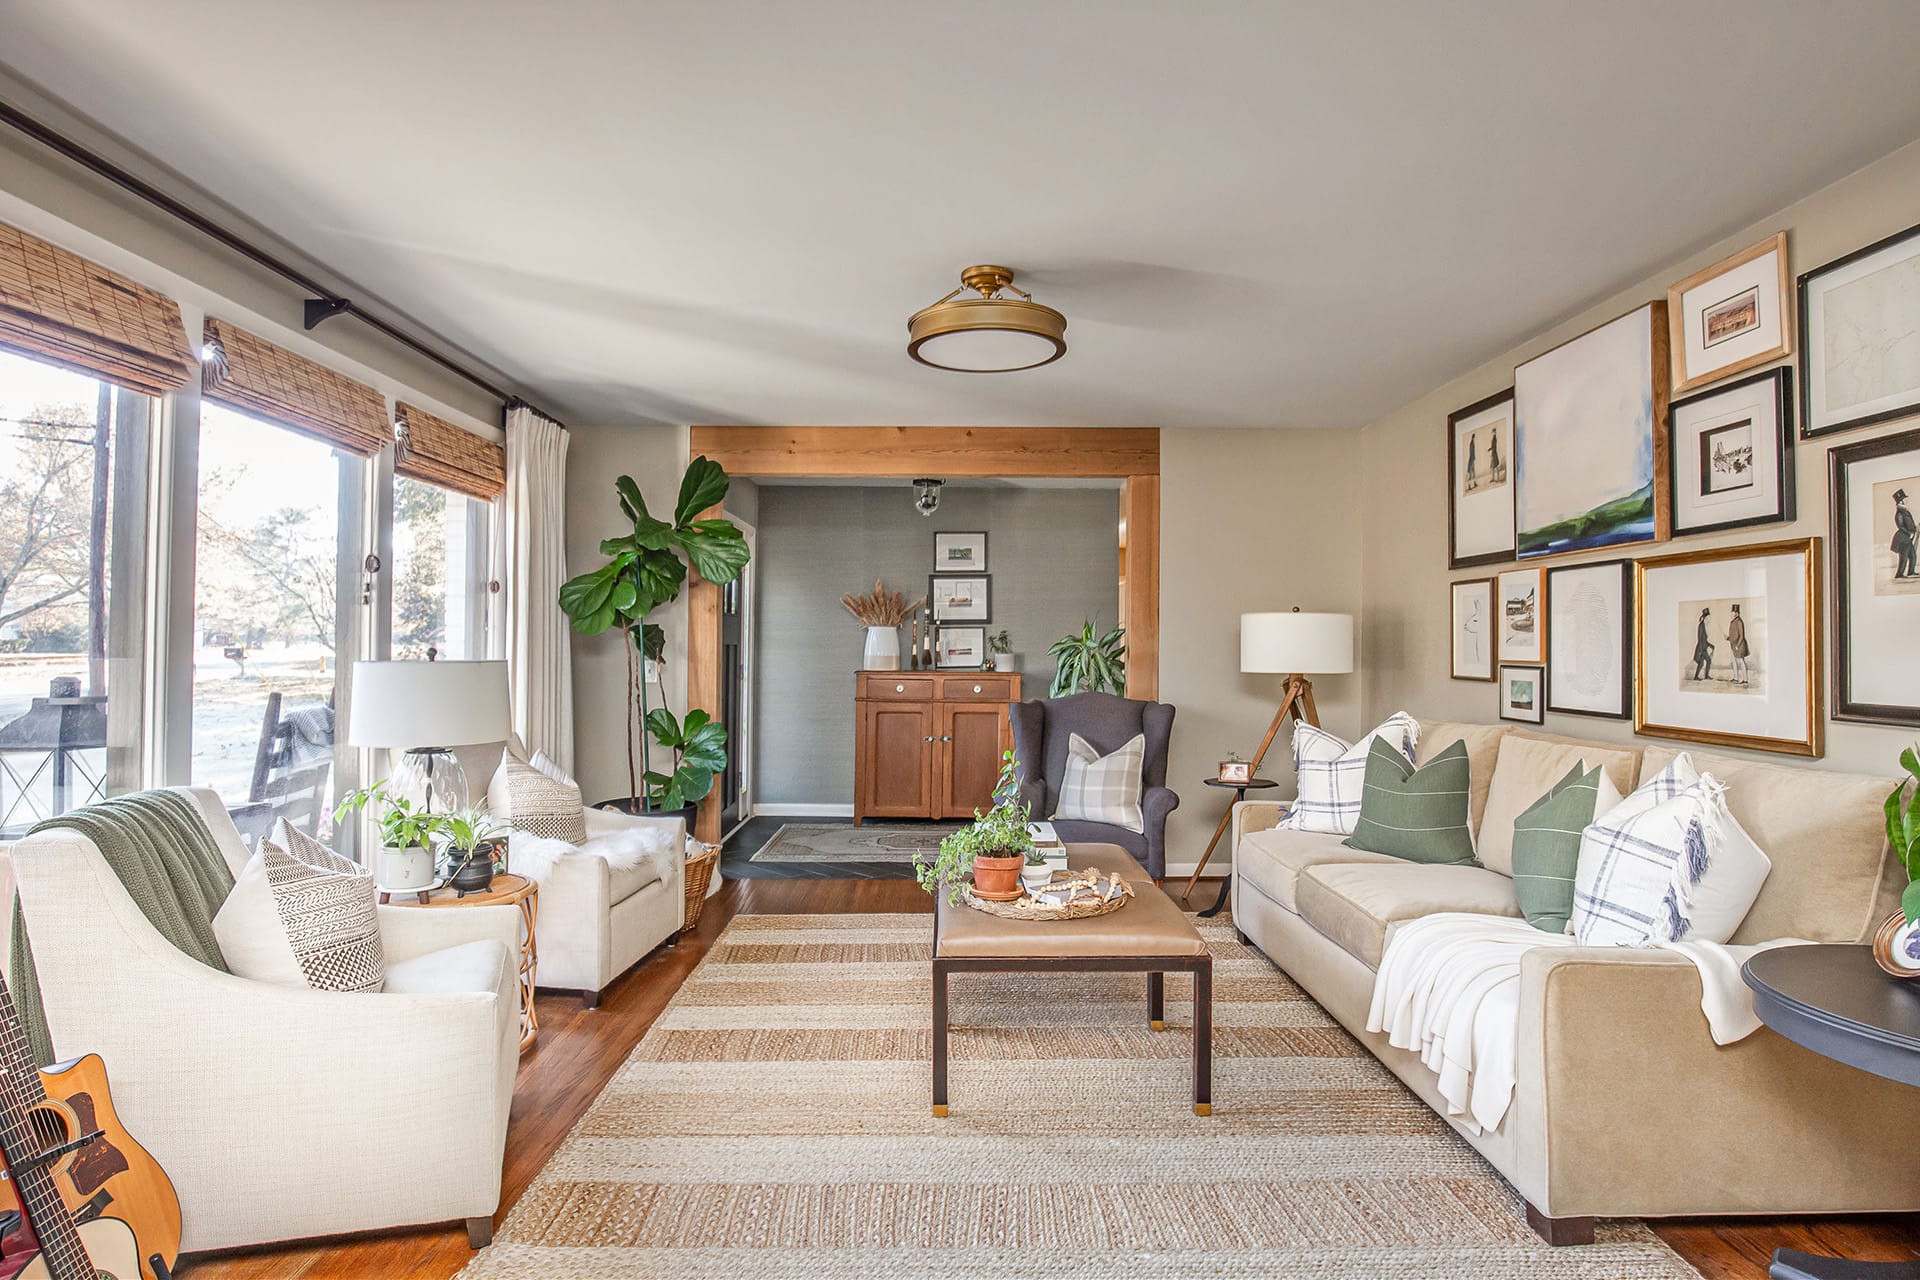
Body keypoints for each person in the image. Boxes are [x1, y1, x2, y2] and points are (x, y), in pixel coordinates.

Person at [1895, 488, 1917, 580]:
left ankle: (1911, 572)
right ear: (1900, 501)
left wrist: (1915, 528)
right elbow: (1900, 526)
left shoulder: (1905, 511)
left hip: (1907, 538)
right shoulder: (1899, 513)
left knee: (1913, 555)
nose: (1905, 500)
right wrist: (1909, 533)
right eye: (1904, 499)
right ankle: (1899, 575)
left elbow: (1909, 523)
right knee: (1903, 557)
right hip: (1903, 538)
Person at [1727, 603, 1749, 686]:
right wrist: (1728, 638)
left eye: (1733, 612)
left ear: (1737, 613)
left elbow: (1742, 636)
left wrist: (1737, 645)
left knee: (1741, 661)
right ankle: (1736, 678)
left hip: (1739, 645)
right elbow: (1734, 634)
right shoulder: (1733, 621)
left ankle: (1745, 680)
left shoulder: (1739, 621)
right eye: (1732, 612)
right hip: (1733, 645)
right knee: (1734, 661)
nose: (1732, 613)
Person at [1690, 607, 1713, 681]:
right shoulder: (1701, 626)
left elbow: (1704, 640)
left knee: (1703, 663)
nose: (1710, 619)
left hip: (1703, 647)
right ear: (1705, 618)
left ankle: (1698, 677)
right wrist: (1702, 649)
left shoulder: (1704, 626)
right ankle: (1701, 676)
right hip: (1701, 648)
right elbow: (1700, 639)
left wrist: (1710, 645)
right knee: (1706, 661)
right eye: (1708, 617)